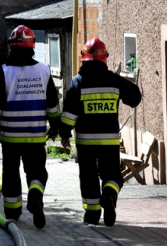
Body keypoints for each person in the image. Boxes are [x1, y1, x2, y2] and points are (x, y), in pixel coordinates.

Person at [0, 25, 60, 229]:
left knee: (11, 175)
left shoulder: (4, 72)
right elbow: (53, 103)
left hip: (10, 137)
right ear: (32, 46)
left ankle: (13, 213)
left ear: (11, 47)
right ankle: (35, 195)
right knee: (37, 171)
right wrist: (56, 125)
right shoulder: (44, 70)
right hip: (35, 135)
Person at [58, 37, 141, 227]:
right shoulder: (113, 80)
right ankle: (110, 196)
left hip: (86, 142)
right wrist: (123, 82)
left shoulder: (78, 82)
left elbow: (69, 115)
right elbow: (135, 98)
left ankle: (93, 215)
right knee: (112, 175)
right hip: (109, 141)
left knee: (88, 177)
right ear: (105, 58)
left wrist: (64, 134)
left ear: (83, 58)